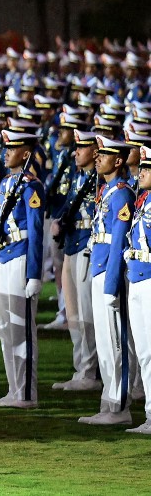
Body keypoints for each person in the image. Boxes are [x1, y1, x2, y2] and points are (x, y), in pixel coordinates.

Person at [0, 130, 44, 409]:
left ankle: (26, 393)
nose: (6, 153)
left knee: (22, 329)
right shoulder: (8, 183)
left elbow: (36, 230)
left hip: (20, 257)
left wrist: (34, 274)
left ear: (26, 154)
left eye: (13, 149)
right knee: (7, 328)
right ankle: (13, 388)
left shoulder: (31, 185)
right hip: (6, 256)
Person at [79, 136, 138, 425]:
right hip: (98, 268)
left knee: (116, 342)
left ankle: (119, 407)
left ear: (118, 161)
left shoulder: (122, 194)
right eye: (98, 153)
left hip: (109, 271)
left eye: (104, 154)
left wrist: (112, 283)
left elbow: (118, 242)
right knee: (103, 341)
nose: (98, 158)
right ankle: (108, 401)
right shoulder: (106, 190)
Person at [51, 129, 100, 391]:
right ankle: (80, 366)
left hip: (86, 245)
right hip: (71, 242)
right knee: (73, 312)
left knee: (86, 311)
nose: (76, 152)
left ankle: (90, 371)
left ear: (95, 151)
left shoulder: (98, 180)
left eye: (82, 148)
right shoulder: (77, 176)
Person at [123, 145, 151, 434]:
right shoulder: (143, 199)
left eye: (146, 169)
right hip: (138, 277)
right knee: (143, 352)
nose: (141, 172)